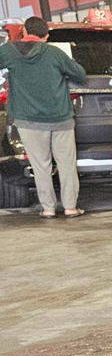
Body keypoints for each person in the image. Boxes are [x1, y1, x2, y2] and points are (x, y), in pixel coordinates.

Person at [0, 17, 87, 217]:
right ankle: (70, 207)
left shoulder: (8, 51)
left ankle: (48, 209)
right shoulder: (54, 53)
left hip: (28, 120)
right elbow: (80, 75)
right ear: (46, 36)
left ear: (24, 31)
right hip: (60, 118)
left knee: (41, 166)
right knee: (66, 165)